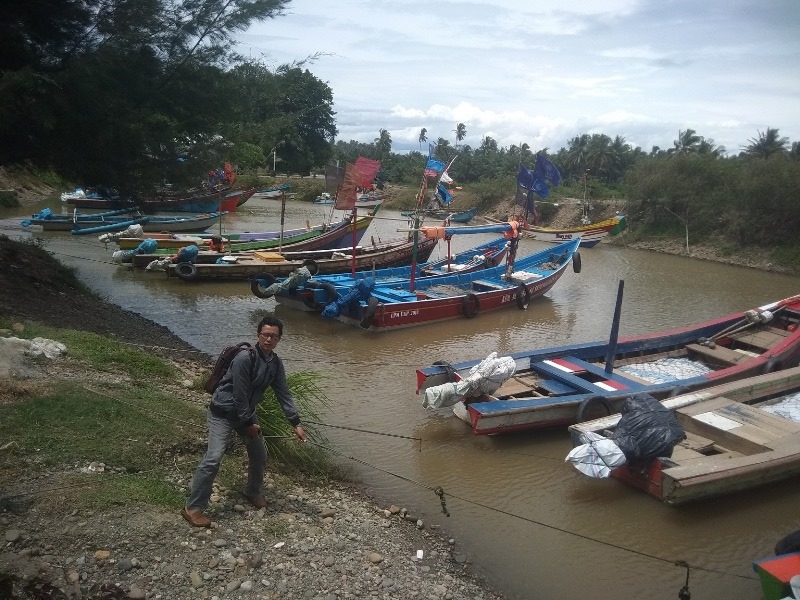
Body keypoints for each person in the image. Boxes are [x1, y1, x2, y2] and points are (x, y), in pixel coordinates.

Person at [181, 315, 307, 528]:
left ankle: (252, 491)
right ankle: (193, 507)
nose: (269, 339)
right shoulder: (244, 359)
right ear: (258, 335)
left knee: (259, 455)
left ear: (279, 340)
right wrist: (249, 423)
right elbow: (239, 395)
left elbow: (283, 393)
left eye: (273, 336)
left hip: (246, 415)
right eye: (265, 335)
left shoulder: (275, 363)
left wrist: (296, 423)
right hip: (223, 413)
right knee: (213, 457)